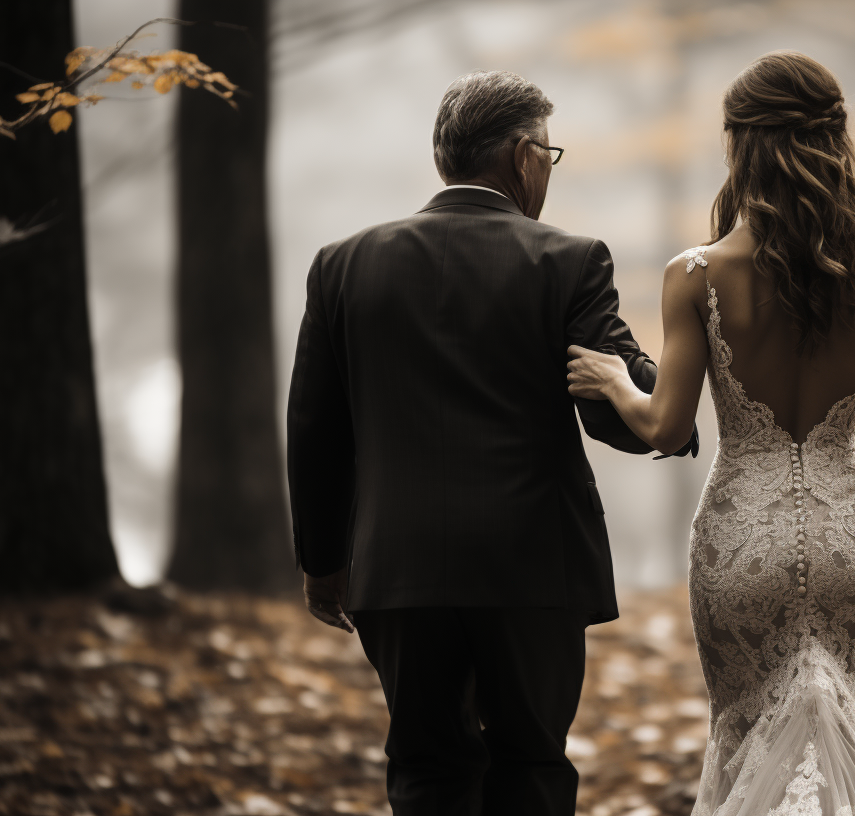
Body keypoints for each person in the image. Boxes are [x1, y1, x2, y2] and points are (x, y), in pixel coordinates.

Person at [286, 70, 697, 816]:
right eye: (549, 151)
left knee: (426, 769)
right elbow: (614, 418)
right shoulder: (568, 261)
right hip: (530, 570)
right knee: (530, 764)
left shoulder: (342, 265)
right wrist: (648, 382)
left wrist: (322, 563)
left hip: (398, 569)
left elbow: (316, 429)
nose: (548, 166)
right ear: (520, 156)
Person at [566, 51, 855, 815]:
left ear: (738, 145)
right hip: (850, 536)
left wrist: (615, 381)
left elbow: (663, 425)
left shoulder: (697, 275)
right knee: (847, 726)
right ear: (835, 142)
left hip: (741, 543)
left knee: (748, 741)